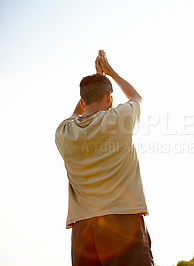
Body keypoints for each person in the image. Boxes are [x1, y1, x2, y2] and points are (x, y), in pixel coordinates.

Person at [55, 50, 154, 265]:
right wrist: (110, 72)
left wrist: (93, 87)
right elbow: (136, 97)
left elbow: (76, 112)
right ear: (109, 98)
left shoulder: (63, 132)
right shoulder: (119, 118)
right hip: (122, 220)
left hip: (83, 230)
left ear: (82, 99)